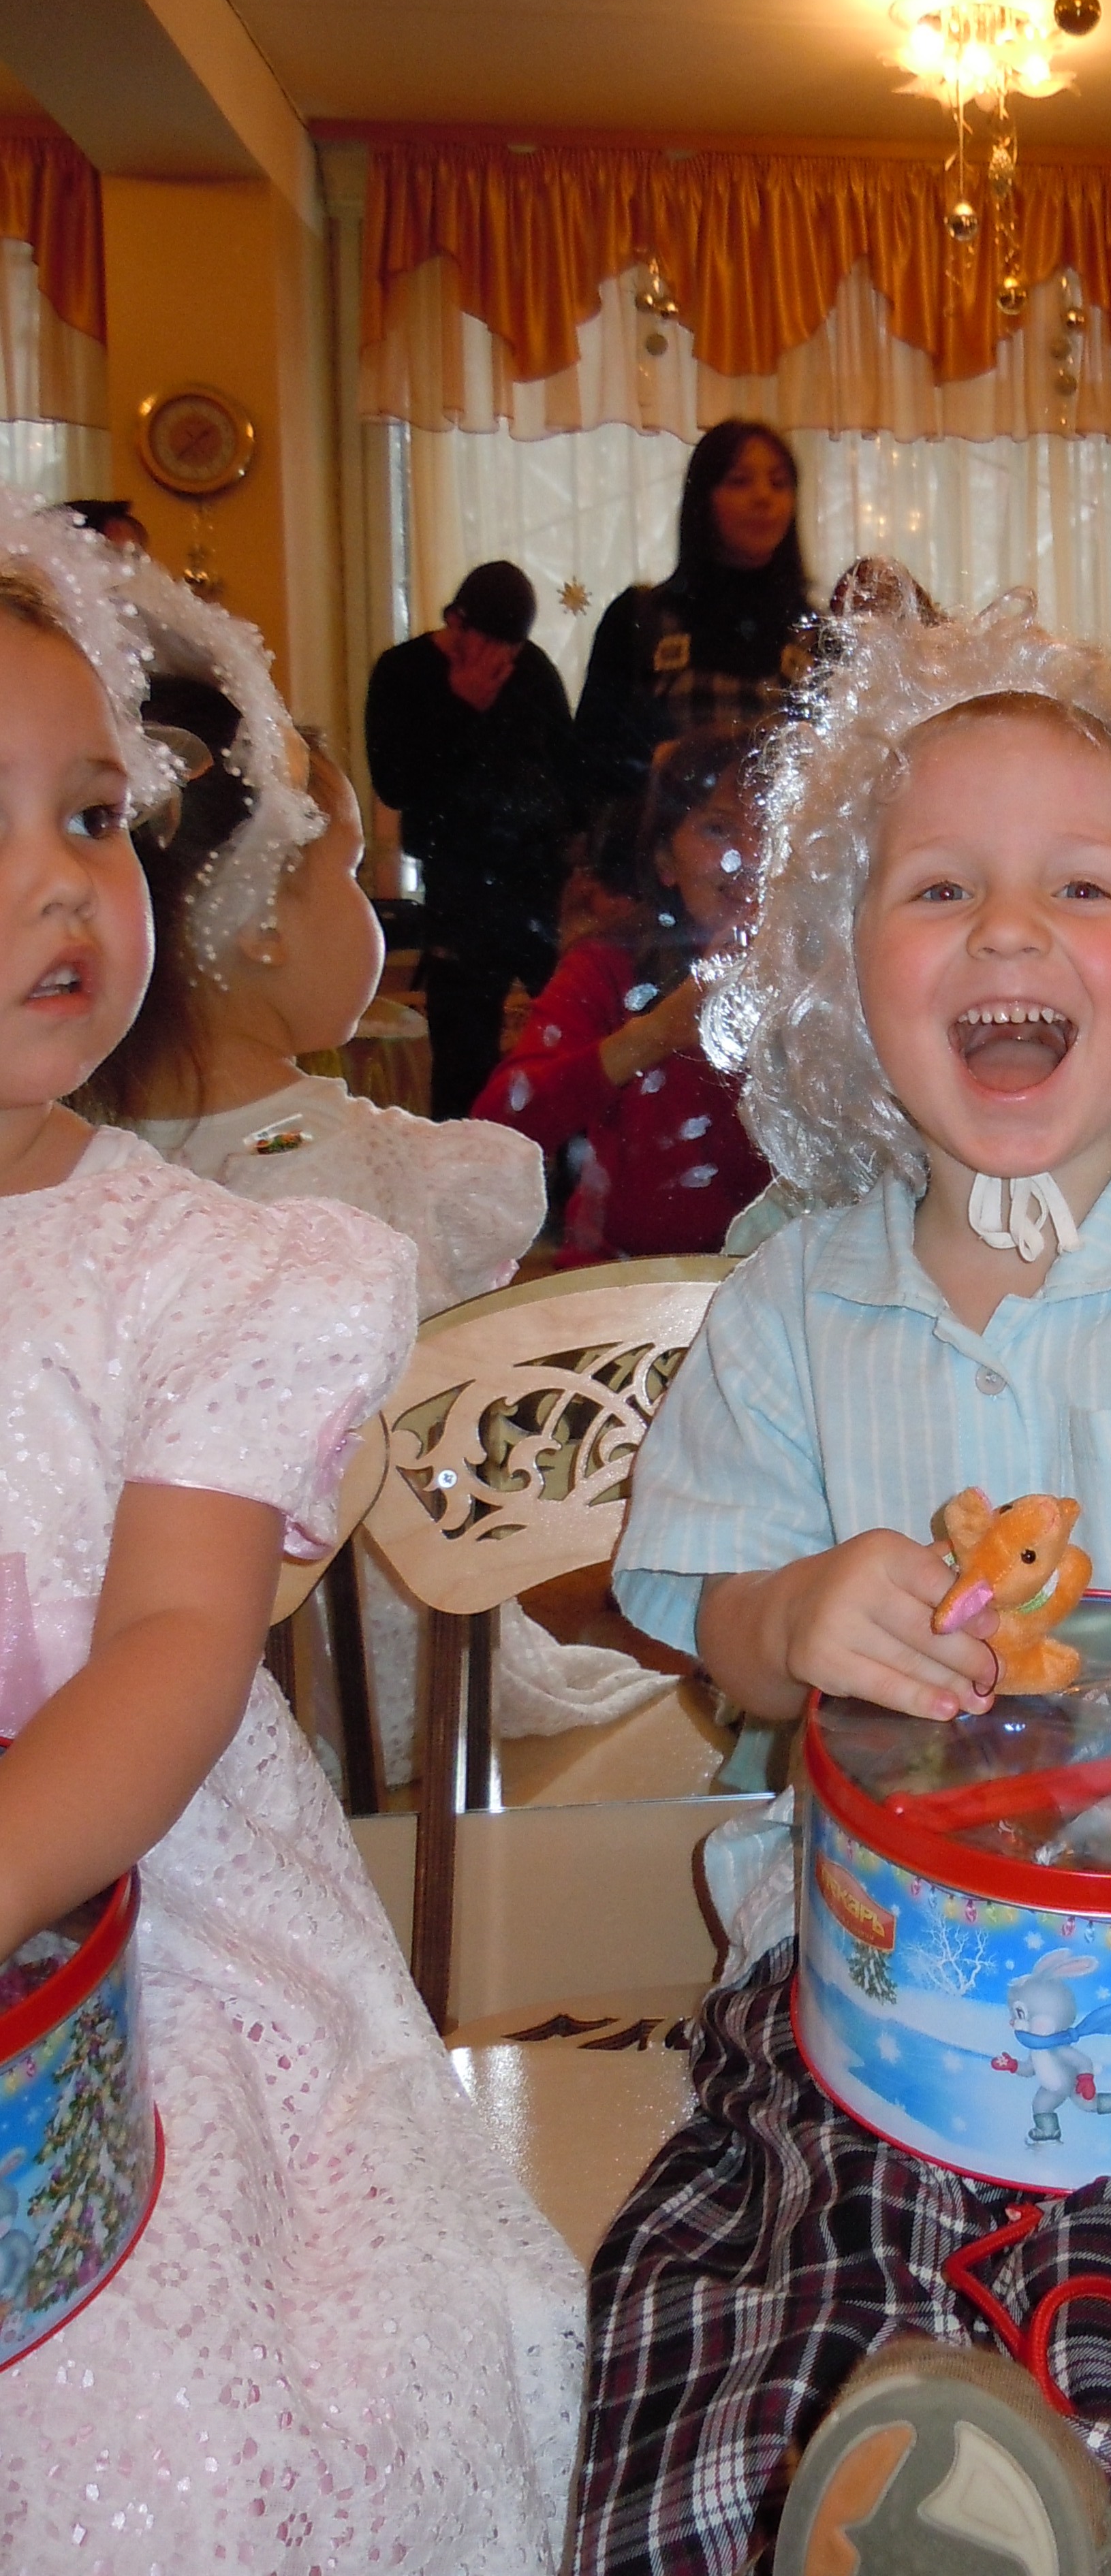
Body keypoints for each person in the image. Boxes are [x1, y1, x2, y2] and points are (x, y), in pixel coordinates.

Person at [569, 583, 1111, 2576]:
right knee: (750, 2319)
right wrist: (791, 1617)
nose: (1011, 933)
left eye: (1081, 887)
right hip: (851, 1990)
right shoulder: (793, 1300)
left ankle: (1041, 2503)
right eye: (940, 889)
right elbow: (711, 1617)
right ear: (837, 968)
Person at [0, 496, 582, 2571]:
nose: (58, 882)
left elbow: (177, 1645)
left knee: (224, 2432)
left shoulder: (203, 1268)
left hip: (161, 1955)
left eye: (89, 817)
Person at [89, 616, 674, 1785]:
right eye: (351, 878)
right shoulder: (371, 1170)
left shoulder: (84, 1171)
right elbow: (462, 1456)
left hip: (150, 1707)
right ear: (262, 926)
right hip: (406, 1685)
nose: (366, 910)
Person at [478, 728, 772, 1262]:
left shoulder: (838, 973)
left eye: (769, 827)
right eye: (719, 828)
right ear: (665, 861)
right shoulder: (612, 966)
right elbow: (498, 1126)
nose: (748, 856)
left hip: (791, 1281)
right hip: (626, 1283)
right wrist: (657, 1033)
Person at [365, 557, 580, 1119]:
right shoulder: (402, 672)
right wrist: (460, 707)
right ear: (455, 621)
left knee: (569, 1038)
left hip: (539, 889)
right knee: (462, 1061)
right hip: (459, 892)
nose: (501, 659)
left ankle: (565, 1161)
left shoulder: (532, 671)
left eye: (513, 646)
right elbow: (395, 784)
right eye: (489, 642)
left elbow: (570, 777)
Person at [574, 422, 813, 815]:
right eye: (739, 481)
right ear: (703, 500)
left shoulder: (815, 633)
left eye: (779, 483)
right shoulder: (641, 620)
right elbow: (588, 761)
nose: (763, 497)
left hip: (786, 851)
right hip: (664, 849)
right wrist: (663, 766)